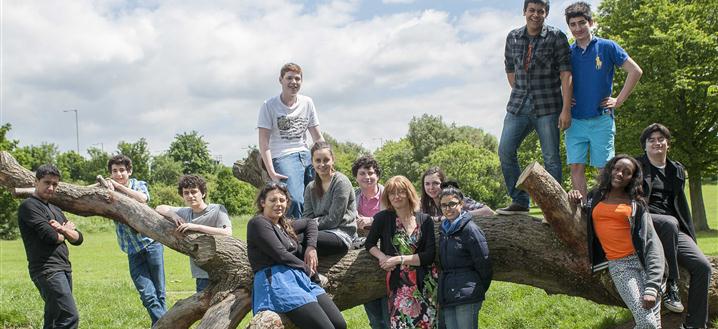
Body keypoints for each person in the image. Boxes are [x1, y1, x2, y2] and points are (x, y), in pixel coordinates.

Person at [569, 155, 664, 328]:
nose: (620, 174)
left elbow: (652, 243)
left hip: (644, 264)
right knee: (648, 323)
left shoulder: (637, 205)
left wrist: (653, 285)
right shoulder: (595, 196)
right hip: (621, 266)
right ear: (610, 169)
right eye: (617, 168)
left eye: (626, 173)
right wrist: (574, 199)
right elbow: (584, 219)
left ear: (632, 179)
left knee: (653, 325)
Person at [498, 0, 572, 215]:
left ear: (546, 13)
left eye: (541, 11)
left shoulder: (556, 37)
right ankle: (520, 201)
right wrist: (523, 91)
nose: (536, 15)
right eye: (532, 10)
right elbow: (510, 70)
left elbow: (566, 73)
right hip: (518, 106)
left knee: (551, 158)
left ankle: (556, 208)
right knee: (505, 150)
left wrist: (566, 109)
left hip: (548, 106)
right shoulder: (513, 37)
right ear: (524, 12)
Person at [564, 1, 643, 198]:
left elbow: (635, 71)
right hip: (575, 121)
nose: (578, 28)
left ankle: (604, 209)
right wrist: (563, 101)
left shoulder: (607, 47)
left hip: (601, 119)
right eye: (572, 25)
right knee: (576, 166)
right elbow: (559, 79)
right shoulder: (567, 53)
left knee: (605, 170)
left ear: (591, 23)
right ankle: (582, 214)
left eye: (582, 23)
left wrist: (619, 100)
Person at [637, 123, 711, 328]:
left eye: (661, 139)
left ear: (668, 144)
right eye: (651, 140)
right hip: (645, 224)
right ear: (645, 146)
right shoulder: (636, 167)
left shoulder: (676, 169)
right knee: (669, 223)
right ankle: (671, 286)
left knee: (703, 267)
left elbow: (679, 206)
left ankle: (695, 325)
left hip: (672, 228)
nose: (657, 143)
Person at [247, 182, 346, 329]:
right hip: (277, 280)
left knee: (340, 324)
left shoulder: (283, 225)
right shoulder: (258, 223)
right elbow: (281, 254)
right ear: (263, 203)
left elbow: (310, 222)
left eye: (282, 200)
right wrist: (308, 270)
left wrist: (311, 247)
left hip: (299, 279)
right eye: (272, 200)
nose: (278, 204)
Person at [365, 175, 438, 329]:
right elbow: (369, 244)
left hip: (425, 284)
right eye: (392, 193)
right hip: (399, 285)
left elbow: (429, 255)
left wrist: (398, 259)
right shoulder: (382, 218)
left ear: (409, 193)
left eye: (400, 192)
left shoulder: (425, 220)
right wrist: (383, 257)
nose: (396, 196)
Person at [18, 164, 83, 329]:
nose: (51, 187)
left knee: (54, 319)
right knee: (69, 316)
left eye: (55, 184)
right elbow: (50, 236)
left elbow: (78, 239)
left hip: (64, 267)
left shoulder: (55, 209)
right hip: (47, 270)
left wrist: (63, 230)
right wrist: (65, 231)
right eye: (47, 182)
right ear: (36, 181)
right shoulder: (29, 206)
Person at [258, 62, 325, 220]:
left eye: (297, 79)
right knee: (294, 200)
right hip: (283, 155)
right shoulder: (269, 105)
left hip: (305, 154)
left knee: (318, 195)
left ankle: (317, 234)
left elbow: (317, 136)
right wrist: (272, 172)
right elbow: (263, 142)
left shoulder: (307, 102)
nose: (293, 82)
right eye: (289, 78)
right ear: (280, 80)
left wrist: (328, 159)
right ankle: (296, 237)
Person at [106, 155, 166, 324]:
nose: (118, 174)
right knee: (147, 294)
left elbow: (143, 198)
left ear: (129, 171)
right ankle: (168, 324)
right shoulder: (107, 190)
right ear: (110, 173)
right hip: (132, 249)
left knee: (159, 293)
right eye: (115, 171)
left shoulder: (138, 185)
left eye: (122, 171)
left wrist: (117, 187)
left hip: (151, 243)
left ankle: (161, 325)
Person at [155, 174, 232, 292]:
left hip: (221, 269)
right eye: (186, 193)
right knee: (202, 309)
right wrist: (173, 215)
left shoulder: (217, 209)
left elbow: (227, 233)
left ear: (203, 193)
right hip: (201, 273)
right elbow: (159, 207)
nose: (190, 196)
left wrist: (196, 227)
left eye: (194, 192)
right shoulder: (185, 212)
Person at [437, 182, 492, 329]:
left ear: (461, 204)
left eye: (452, 204)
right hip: (449, 294)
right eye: (444, 205)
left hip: (467, 295)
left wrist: (475, 289)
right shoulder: (444, 231)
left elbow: (484, 264)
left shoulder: (470, 229)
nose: (448, 209)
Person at [351, 155, 388, 328]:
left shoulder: (387, 193)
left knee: (391, 314)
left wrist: (371, 220)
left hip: (388, 252)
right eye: (362, 173)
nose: (367, 177)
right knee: (375, 317)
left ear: (378, 175)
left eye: (371, 173)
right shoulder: (352, 196)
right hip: (363, 255)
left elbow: (396, 217)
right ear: (356, 176)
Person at [303, 141, 357, 256]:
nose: (322, 164)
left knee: (300, 239)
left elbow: (334, 220)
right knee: (293, 244)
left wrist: (311, 225)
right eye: (318, 160)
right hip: (317, 233)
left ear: (333, 160)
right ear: (312, 162)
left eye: (326, 160)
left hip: (341, 233)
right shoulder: (310, 187)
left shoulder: (341, 182)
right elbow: (307, 217)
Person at [420, 167, 494, 220]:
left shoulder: (456, 199)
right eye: (427, 184)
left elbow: (488, 211)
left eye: (435, 183)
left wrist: (459, 215)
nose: (431, 187)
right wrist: (438, 218)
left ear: (443, 184)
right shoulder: (423, 204)